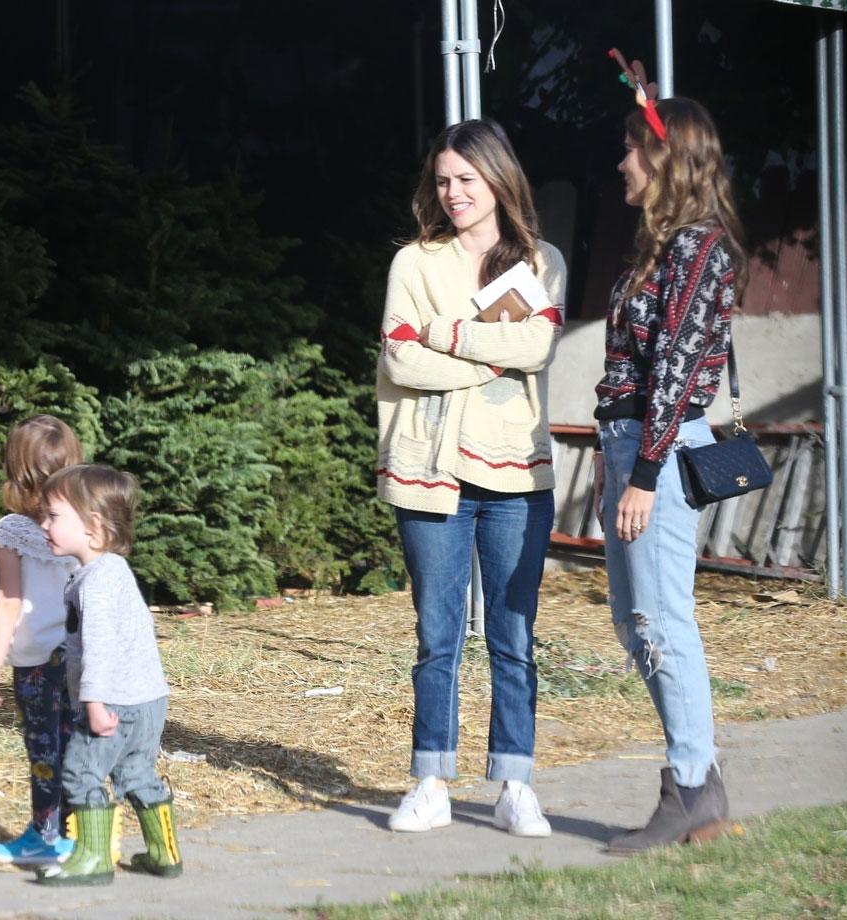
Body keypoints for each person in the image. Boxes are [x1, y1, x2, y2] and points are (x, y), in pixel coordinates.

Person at [376, 118, 567, 837]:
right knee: (438, 635)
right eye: (443, 180)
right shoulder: (414, 264)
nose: (453, 192)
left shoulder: (540, 259)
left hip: (518, 473)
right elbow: (400, 360)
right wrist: (496, 355)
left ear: (498, 179)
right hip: (431, 472)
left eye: (466, 178)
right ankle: (431, 780)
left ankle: (514, 782)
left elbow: (541, 342)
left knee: (513, 636)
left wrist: (448, 335)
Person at [591, 95, 747, 853]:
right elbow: (633, 369)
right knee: (636, 622)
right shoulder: (663, 246)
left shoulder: (702, 248)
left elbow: (678, 373)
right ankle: (697, 785)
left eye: (630, 149)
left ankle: (692, 785)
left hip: (661, 448)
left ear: (664, 159)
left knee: (663, 620)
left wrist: (645, 474)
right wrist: (612, 457)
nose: (621, 162)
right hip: (630, 445)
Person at [34, 463, 181, 886]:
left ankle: (93, 860)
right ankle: (164, 853)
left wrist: (94, 703)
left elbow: (100, 649)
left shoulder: (96, 582)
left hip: (113, 703)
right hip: (148, 698)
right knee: (137, 775)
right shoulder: (112, 571)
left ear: (93, 527)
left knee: (80, 772)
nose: (44, 523)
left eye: (54, 516)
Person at [0, 414, 83, 865]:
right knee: (79, 748)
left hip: (37, 661)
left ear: (17, 471)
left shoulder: (12, 532)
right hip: (82, 657)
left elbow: (7, 600)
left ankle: (45, 839)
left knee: (44, 750)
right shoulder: (86, 524)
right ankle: (80, 835)